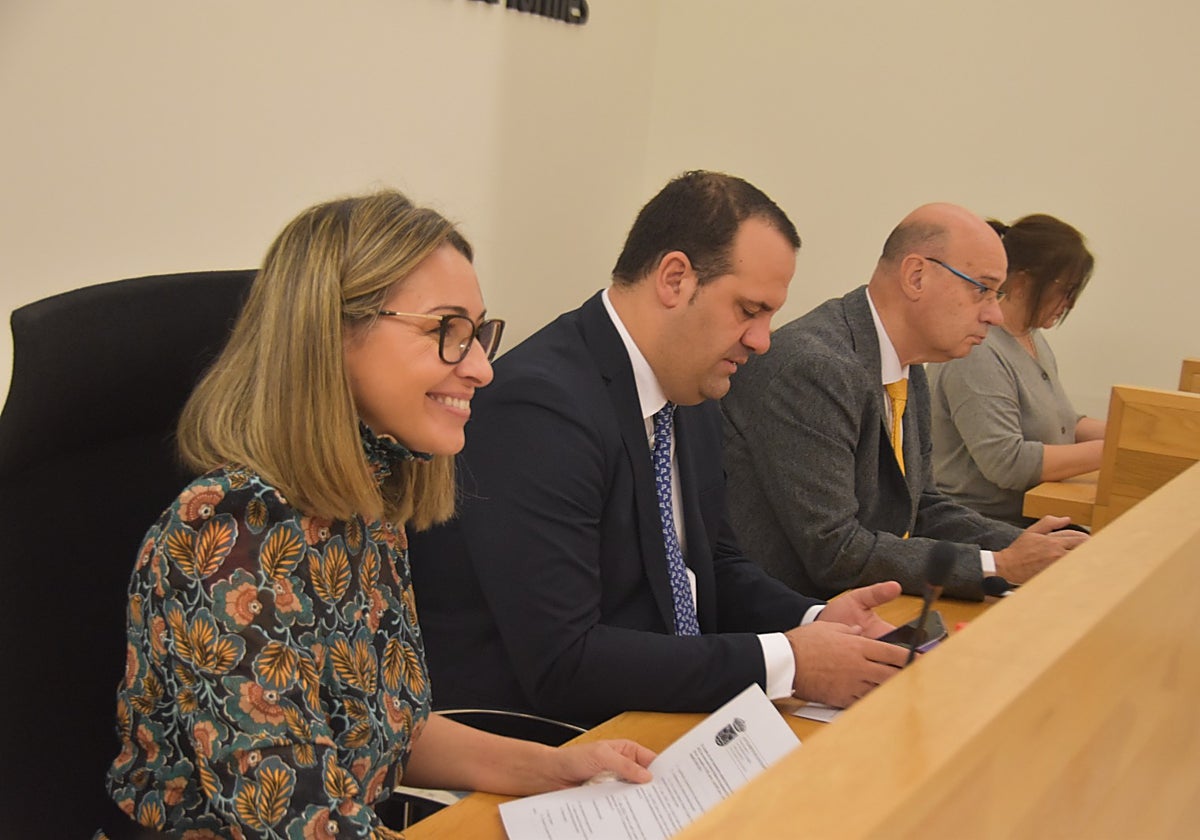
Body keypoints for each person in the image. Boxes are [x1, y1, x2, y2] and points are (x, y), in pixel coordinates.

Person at [99, 191, 654, 840]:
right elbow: (301, 822)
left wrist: (558, 769)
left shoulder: (365, 500)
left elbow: (389, 729)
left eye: (478, 333)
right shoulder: (227, 536)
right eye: (447, 330)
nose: (481, 367)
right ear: (332, 334)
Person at [407, 171, 909, 730]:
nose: (762, 340)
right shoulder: (539, 407)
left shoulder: (689, 386)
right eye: (749, 310)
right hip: (546, 739)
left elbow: (712, 564)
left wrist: (815, 620)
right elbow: (565, 661)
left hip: (656, 715)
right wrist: (789, 661)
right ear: (674, 279)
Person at [720, 203, 1089, 603]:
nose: (995, 314)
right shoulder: (814, 368)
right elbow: (835, 550)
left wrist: (1030, 546)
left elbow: (921, 507)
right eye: (982, 289)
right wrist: (998, 565)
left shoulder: (905, 365)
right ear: (916, 276)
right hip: (791, 614)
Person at [928, 213, 1104, 525]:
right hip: (977, 525)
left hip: (1028, 516)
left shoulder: (1031, 338)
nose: (1070, 304)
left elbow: (1059, 421)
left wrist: (1128, 435)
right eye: (1066, 290)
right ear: (1022, 282)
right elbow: (1007, 463)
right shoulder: (977, 350)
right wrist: (1110, 452)